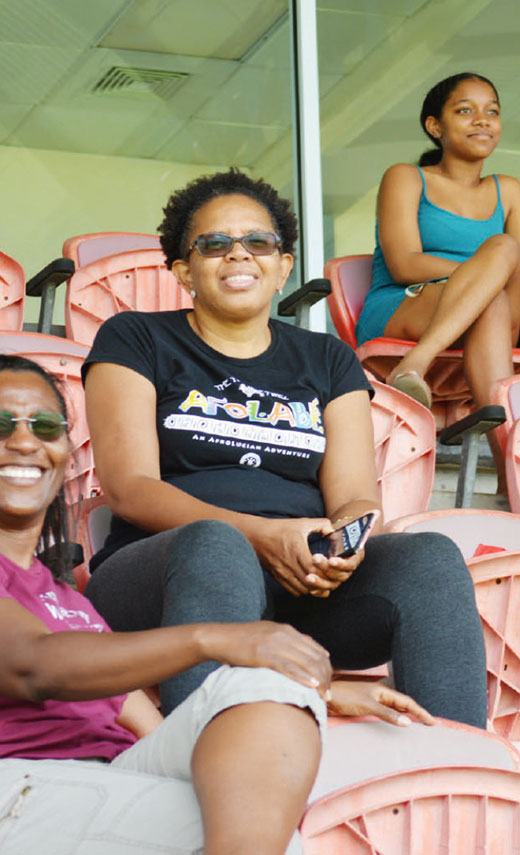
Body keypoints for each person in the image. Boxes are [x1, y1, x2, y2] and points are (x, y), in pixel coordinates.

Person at [0, 353, 434, 855]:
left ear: (65, 449)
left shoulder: (68, 603)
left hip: (92, 788)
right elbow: (31, 665)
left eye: (45, 426)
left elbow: (153, 722)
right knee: (265, 836)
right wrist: (216, 638)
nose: (24, 441)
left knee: (265, 695)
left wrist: (315, 690)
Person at [81, 169, 487, 728]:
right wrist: (261, 536)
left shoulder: (327, 359)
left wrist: (346, 547)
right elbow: (130, 490)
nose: (238, 256)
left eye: (259, 242)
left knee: (430, 557)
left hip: (302, 582)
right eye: (214, 244)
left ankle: (456, 769)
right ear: (183, 270)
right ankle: (202, 775)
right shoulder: (136, 338)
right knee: (217, 547)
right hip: (170, 579)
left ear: (283, 267)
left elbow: (354, 497)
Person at [356, 72, 520, 487]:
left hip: (494, 309)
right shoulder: (408, 177)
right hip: (408, 302)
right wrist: (483, 273)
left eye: (492, 112)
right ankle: (509, 472)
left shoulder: (511, 190)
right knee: (500, 254)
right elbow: (404, 264)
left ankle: (418, 366)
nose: (482, 120)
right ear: (435, 126)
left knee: (500, 276)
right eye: (465, 110)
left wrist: (486, 278)